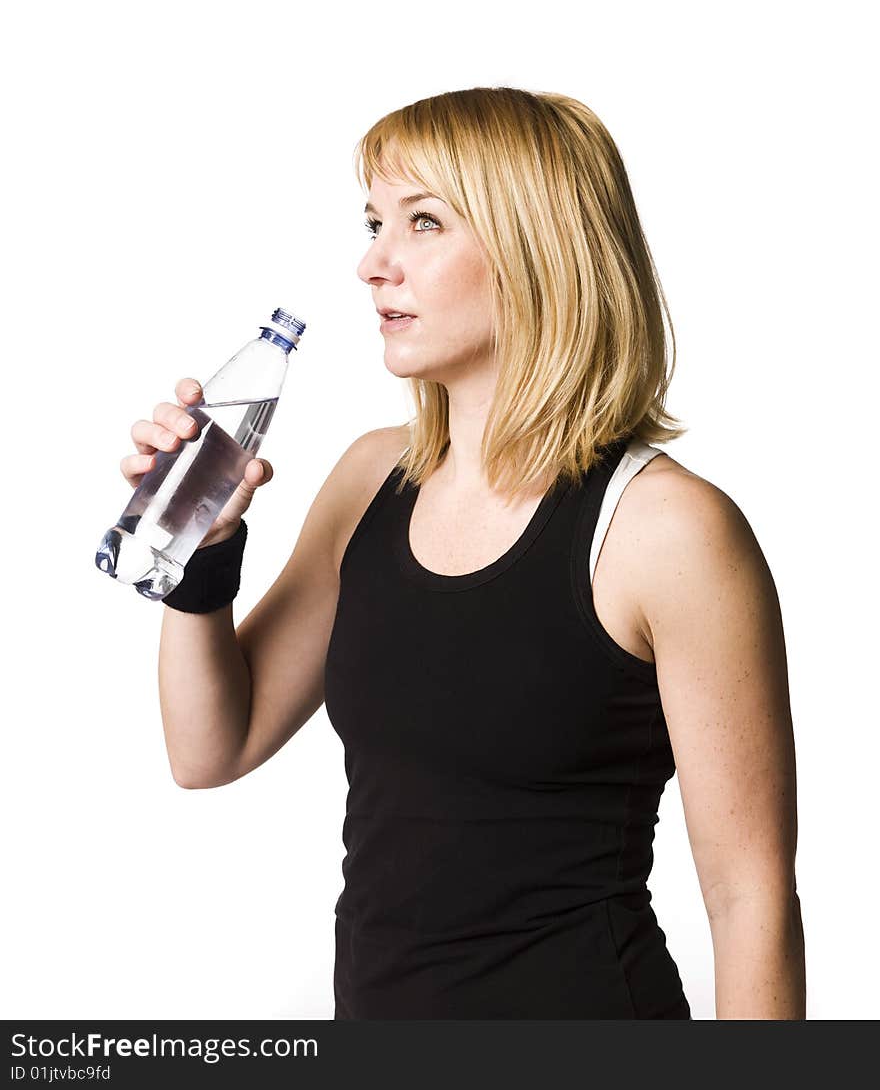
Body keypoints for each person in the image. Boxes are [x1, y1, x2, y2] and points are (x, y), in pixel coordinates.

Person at [124, 86, 806, 1020]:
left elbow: (750, 899)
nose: (372, 263)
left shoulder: (667, 533)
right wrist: (203, 557)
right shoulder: (372, 479)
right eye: (374, 221)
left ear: (536, 252)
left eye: (424, 222)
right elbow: (211, 747)